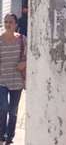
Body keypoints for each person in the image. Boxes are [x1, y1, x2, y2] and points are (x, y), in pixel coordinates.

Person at [0, 14, 26, 145]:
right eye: (5, 22)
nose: (8, 24)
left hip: (17, 81)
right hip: (2, 81)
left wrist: (24, 63)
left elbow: (31, 56)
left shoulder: (22, 40)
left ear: (16, 24)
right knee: (3, 107)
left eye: (10, 22)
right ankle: (1, 134)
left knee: (13, 111)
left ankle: (10, 137)